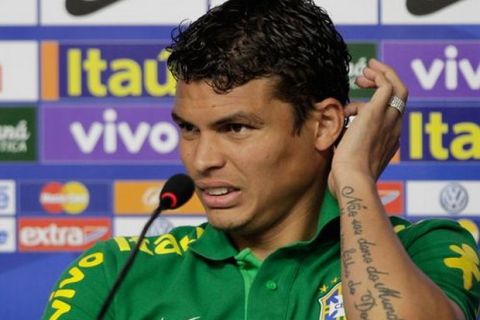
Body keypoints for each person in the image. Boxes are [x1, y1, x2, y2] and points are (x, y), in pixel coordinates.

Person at [42, 0, 480, 319]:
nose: (202, 160)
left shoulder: (428, 248)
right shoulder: (116, 273)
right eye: (188, 129)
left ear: (325, 126)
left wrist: (354, 178)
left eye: (236, 128)